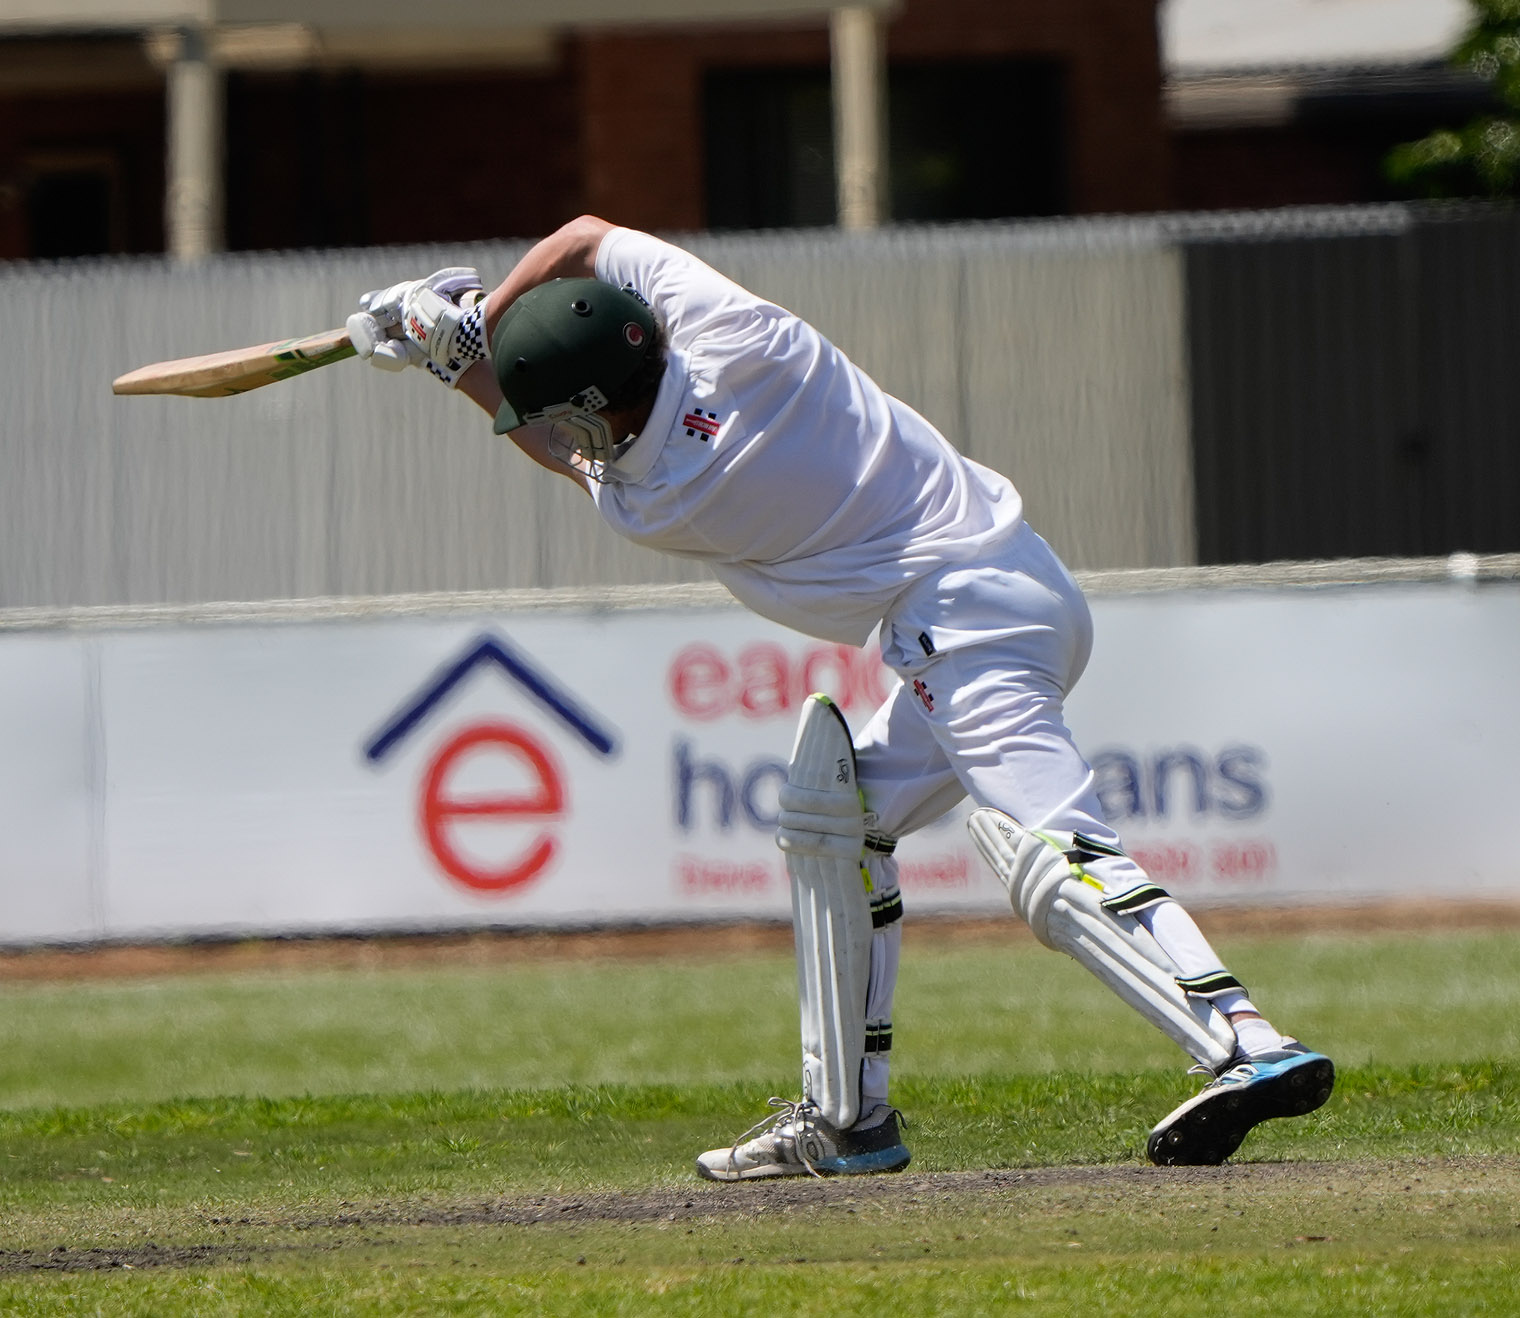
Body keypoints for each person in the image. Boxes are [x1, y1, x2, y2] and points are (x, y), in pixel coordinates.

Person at [347, 216, 1334, 1178]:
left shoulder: (668, 492)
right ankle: (847, 1120)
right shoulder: (730, 327)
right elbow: (583, 235)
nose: (577, 433)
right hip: (1017, 581)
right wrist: (485, 316)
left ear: (599, 402)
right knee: (836, 822)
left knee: (1056, 850)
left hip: (961, 628)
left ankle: (1247, 1040)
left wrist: (457, 360)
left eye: (576, 413)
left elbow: (562, 454)